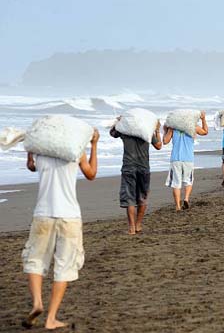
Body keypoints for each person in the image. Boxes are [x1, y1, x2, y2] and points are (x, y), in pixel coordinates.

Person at [21, 129, 99, 330]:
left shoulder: (41, 151)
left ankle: (37, 302)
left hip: (43, 213)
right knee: (64, 266)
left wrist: (30, 149)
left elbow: (30, 166)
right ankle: (51, 318)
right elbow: (91, 174)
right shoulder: (75, 150)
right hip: (69, 216)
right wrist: (94, 145)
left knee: (35, 261)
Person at [110, 119, 162, 235]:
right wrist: (157, 130)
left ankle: (132, 227)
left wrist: (118, 122)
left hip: (128, 167)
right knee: (142, 198)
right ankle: (138, 224)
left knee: (130, 199)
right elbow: (159, 145)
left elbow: (112, 133)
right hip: (144, 168)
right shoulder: (146, 132)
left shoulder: (125, 131)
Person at [163, 112, 208, 211]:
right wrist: (203, 119)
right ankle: (186, 199)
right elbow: (205, 132)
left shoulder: (173, 128)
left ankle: (178, 206)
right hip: (188, 158)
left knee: (176, 183)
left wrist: (165, 130)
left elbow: (165, 141)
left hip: (176, 159)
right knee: (188, 181)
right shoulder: (192, 127)